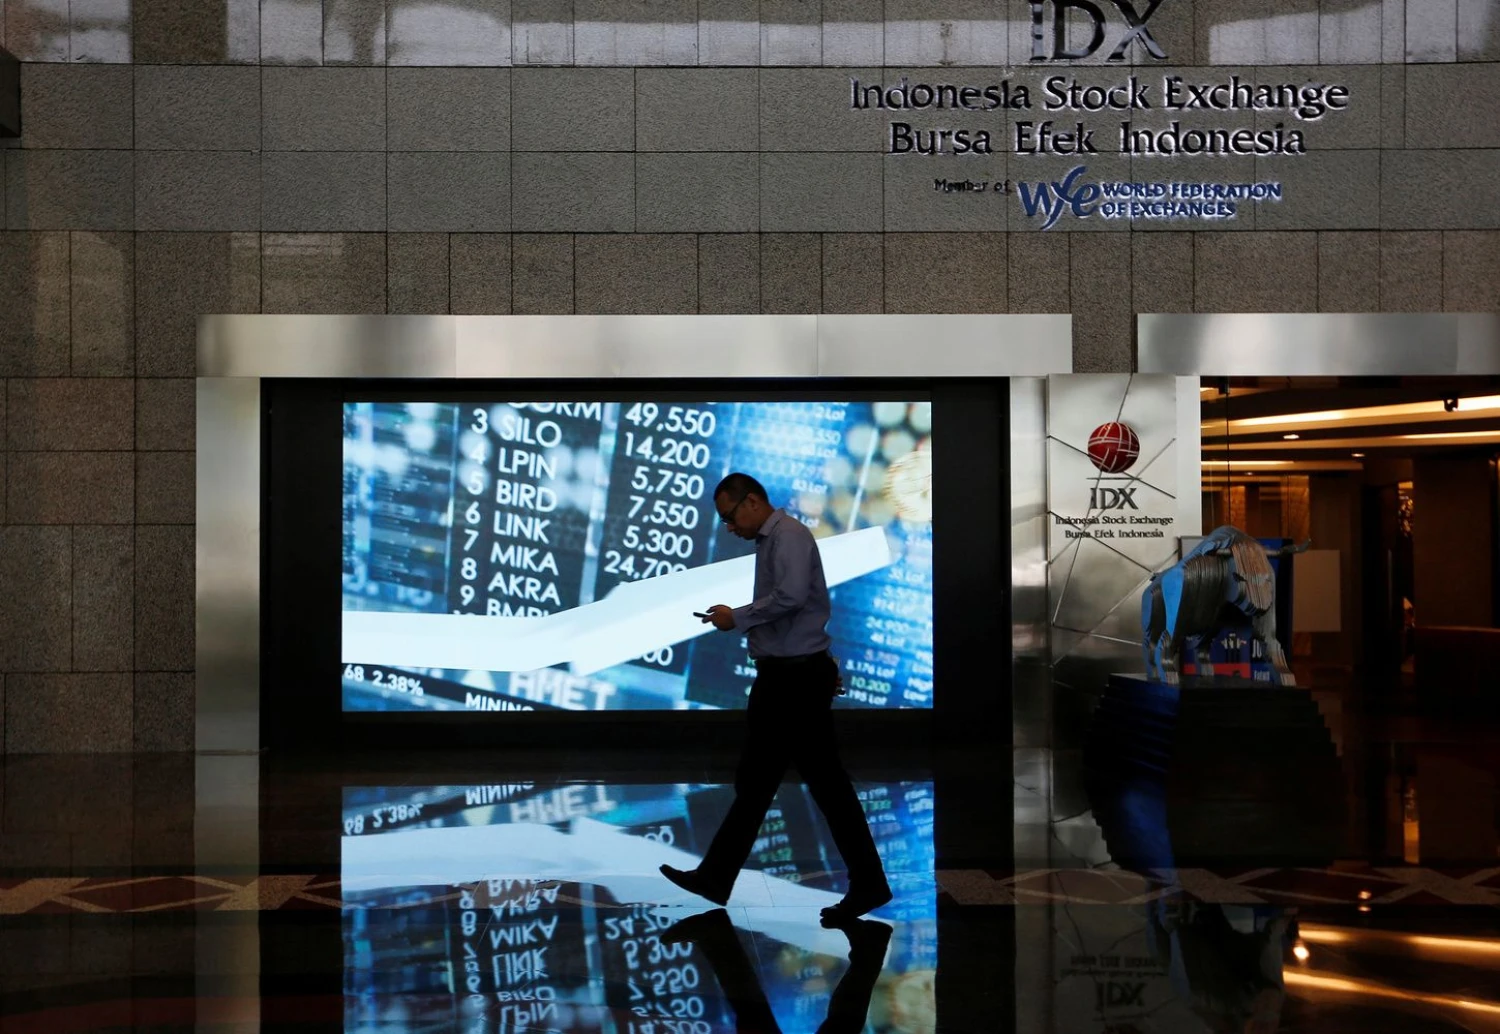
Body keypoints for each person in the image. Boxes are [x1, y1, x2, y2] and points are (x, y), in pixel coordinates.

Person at [660, 473, 892, 924]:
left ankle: (867, 883)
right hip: (790, 679)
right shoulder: (775, 540)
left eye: (729, 517)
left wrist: (737, 617)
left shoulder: (788, 537)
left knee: (805, 784)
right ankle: (716, 876)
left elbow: (790, 597)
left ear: (751, 503)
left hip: (794, 683)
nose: (729, 527)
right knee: (767, 781)